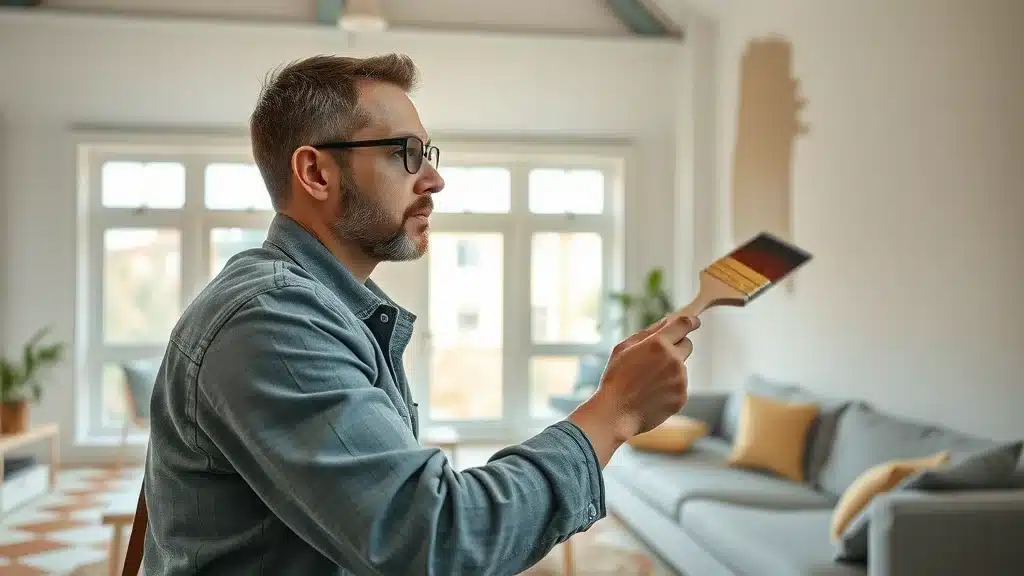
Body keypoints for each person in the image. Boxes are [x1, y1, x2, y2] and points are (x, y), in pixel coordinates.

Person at [142, 53, 700, 576]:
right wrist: (614, 412)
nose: (433, 180)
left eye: (427, 155)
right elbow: (438, 538)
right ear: (315, 173)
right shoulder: (270, 320)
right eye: (403, 153)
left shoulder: (315, 308)